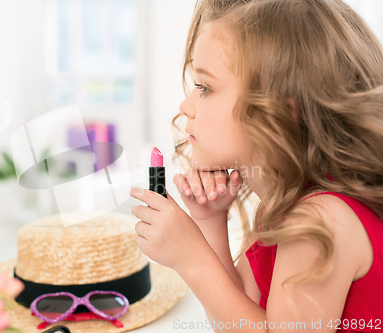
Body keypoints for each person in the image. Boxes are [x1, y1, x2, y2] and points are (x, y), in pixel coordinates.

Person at [129, 0, 383, 332]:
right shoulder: (286, 202)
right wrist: (210, 221)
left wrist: (191, 258)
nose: (185, 105)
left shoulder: (320, 222)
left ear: (280, 113)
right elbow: (240, 311)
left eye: (205, 87)